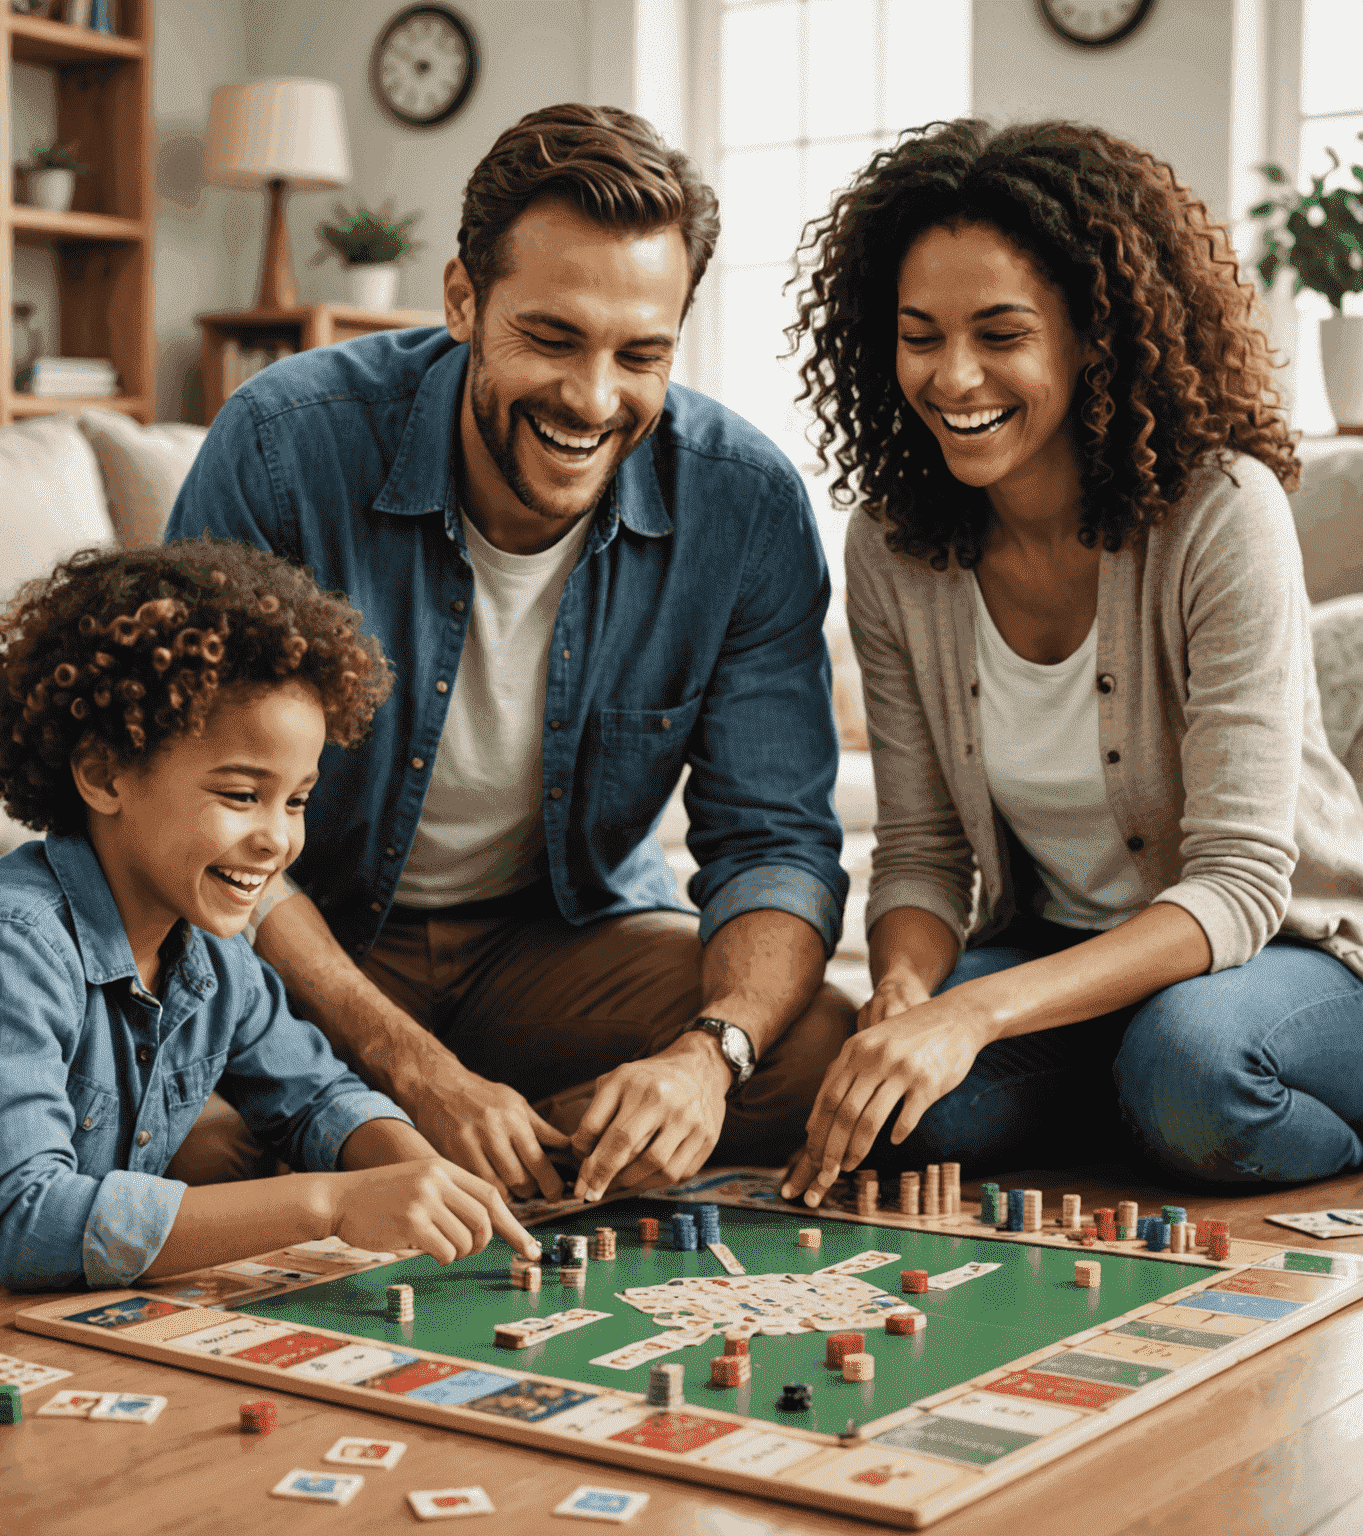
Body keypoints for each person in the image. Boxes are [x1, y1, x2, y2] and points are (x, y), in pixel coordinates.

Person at [166, 102, 851, 1206]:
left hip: (553, 941)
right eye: (551, 337)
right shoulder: (286, 448)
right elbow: (206, 819)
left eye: (641, 354)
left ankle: (488, 1159)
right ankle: (414, 1135)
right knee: (187, 1143)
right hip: (301, 937)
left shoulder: (747, 504)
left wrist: (706, 1057)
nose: (591, 399)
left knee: (810, 1045)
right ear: (461, 300)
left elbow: (775, 842)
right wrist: (415, 1068)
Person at [780, 118, 1363, 1208]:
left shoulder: (1219, 512)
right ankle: (1131, 1102)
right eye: (920, 336)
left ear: (1094, 334)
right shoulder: (893, 546)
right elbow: (919, 851)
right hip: (1068, 963)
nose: (954, 377)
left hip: (1290, 952)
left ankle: (1178, 1103)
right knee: (903, 1118)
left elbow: (1238, 886)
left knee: (1191, 1069)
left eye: (1001, 334)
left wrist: (979, 1013)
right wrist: (906, 988)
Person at [0, 541, 540, 1296]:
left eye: (296, 799)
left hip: (27, 1320)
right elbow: (29, 1219)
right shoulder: (6, 948)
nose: (278, 838)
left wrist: (419, 1170)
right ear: (105, 774)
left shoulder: (209, 956)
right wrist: (333, 1203)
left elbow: (318, 1098)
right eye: (240, 795)